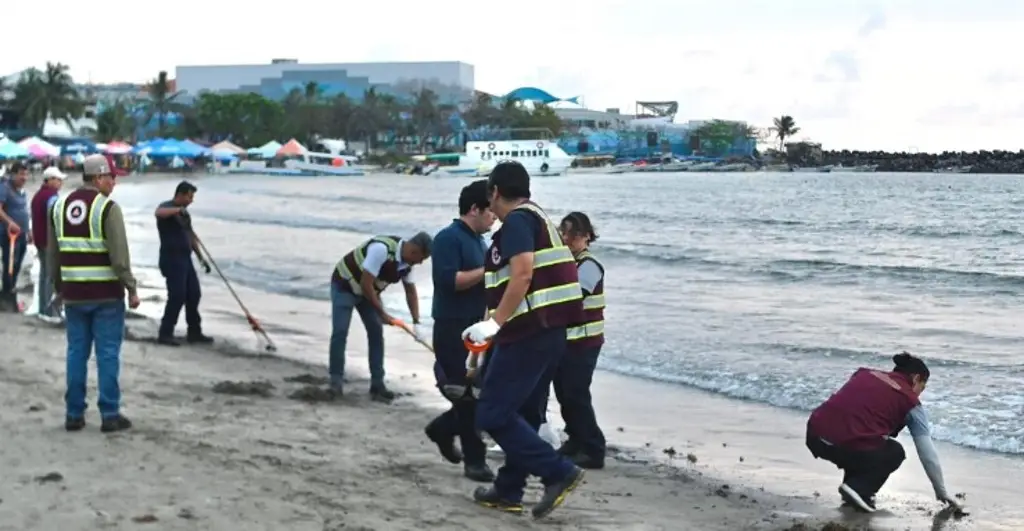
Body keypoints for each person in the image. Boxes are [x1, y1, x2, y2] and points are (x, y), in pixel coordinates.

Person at [461, 161, 586, 519]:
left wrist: (494, 324)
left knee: (493, 412)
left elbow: (522, 275)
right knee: (527, 415)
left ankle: (558, 472)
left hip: (528, 333)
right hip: (549, 332)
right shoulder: (537, 219)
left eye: (490, 196)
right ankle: (508, 490)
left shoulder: (518, 221)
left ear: (495, 192)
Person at [48, 154, 140, 433]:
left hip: (74, 295)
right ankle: (109, 414)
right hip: (106, 295)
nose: (114, 183)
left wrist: (59, 288)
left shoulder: (59, 206)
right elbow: (119, 258)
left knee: (76, 353)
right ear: (99, 177)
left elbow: (54, 255)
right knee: (107, 354)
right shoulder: (107, 208)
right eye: (111, 178)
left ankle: (74, 414)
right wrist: (131, 287)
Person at [806, 352, 964, 513]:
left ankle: (852, 492)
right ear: (916, 378)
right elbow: (927, 454)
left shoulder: (865, 374)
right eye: (921, 388)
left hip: (814, 434)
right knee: (894, 452)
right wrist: (941, 491)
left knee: (868, 437)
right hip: (843, 445)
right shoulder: (910, 401)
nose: (919, 394)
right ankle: (858, 489)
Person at [424, 180, 497, 482]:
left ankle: (442, 428)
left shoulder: (479, 242)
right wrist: (488, 270)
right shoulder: (448, 238)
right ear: (474, 209)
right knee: (466, 394)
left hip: (477, 326)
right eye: (490, 212)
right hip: (452, 325)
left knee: (478, 393)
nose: (494, 218)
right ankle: (475, 461)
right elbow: (449, 281)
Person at [330, 232, 432, 402]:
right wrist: (382, 313)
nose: (420, 263)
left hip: (369, 293)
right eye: (422, 258)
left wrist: (417, 322)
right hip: (345, 285)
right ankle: (335, 383)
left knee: (376, 332)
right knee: (340, 332)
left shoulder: (407, 265)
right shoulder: (381, 250)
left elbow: (410, 292)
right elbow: (366, 283)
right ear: (414, 249)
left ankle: (377, 385)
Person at [553, 212, 607, 469]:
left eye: (572, 234)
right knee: (564, 392)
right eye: (563, 233)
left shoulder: (589, 265)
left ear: (586, 236)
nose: (567, 239)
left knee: (576, 393)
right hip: (567, 341)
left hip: (585, 342)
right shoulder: (568, 263)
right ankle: (575, 439)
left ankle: (593, 448)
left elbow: (574, 297)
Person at [154, 181, 212, 346]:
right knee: (177, 295)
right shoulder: (167, 207)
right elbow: (158, 213)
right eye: (190, 196)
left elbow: (190, 235)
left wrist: (201, 258)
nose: (191, 200)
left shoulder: (185, 214)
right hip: (171, 259)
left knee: (194, 294)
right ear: (180, 195)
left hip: (185, 259)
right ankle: (165, 333)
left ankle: (194, 332)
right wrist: (177, 210)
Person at [30, 166, 66, 317]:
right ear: (49, 180)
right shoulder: (51, 197)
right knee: (51, 276)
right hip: (49, 242)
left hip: (39, 239)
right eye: (58, 180)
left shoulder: (38, 196)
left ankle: (43, 308)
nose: (61, 183)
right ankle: (49, 309)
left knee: (44, 274)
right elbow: (56, 220)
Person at [0, 161, 30, 311]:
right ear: (13, 174)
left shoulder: (22, 191)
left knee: (17, 265)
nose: (24, 177)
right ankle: (6, 295)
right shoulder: (5, 188)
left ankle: (10, 290)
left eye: (26, 174)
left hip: (22, 234)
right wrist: (10, 223)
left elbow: (24, 211)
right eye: (21, 174)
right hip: (8, 235)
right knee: (10, 264)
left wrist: (29, 231)